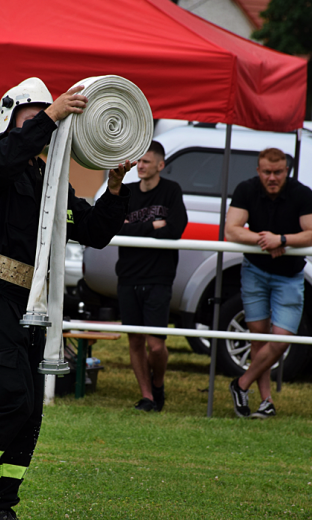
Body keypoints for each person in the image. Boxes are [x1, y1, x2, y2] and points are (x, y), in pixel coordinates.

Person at [0, 77, 131, 520]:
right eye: (32, 119)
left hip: (33, 307)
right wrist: (52, 116)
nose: (46, 127)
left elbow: (93, 232)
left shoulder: (49, 181)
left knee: (29, 413)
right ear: (7, 121)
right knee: (10, 399)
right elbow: (9, 156)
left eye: (46, 118)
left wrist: (115, 186)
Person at [225, 148, 312, 419]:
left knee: (280, 340)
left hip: (289, 275)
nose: (272, 177)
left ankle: (241, 384)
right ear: (258, 171)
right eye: (267, 172)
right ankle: (265, 402)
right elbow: (231, 229)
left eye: (278, 172)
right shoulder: (246, 189)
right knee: (259, 338)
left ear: (286, 171)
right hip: (254, 270)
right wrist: (265, 241)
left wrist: (282, 240)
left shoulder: (302, 193)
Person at [116, 140, 187, 412]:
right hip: (128, 276)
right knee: (135, 340)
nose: (140, 166)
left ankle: (158, 384)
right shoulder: (126, 192)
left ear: (161, 165)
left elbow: (175, 229)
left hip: (159, 276)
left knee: (156, 346)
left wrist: (133, 227)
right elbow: (116, 230)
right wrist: (153, 225)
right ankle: (147, 397)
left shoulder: (171, 191)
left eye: (146, 161)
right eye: (139, 161)